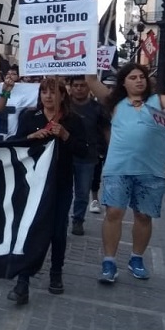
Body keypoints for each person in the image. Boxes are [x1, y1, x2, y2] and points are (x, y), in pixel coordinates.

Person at [86, 64, 165, 283]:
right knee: (114, 213)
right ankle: (109, 262)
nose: (139, 81)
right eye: (133, 77)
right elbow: (91, 80)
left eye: (142, 77)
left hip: (152, 171)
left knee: (143, 216)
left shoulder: (158, 101)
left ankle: (136, 258)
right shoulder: (116, 104)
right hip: (118, 169)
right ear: (124, 82)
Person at [7, 78, 87, 304]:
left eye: (53, 92)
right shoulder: (29, 117)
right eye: (44, 92)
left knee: (58, 231)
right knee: (29, 229)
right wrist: (30, 137)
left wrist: (65, 136)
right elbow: (13, 143)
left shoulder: (73, 120)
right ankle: (23, 281)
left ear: (63, 95)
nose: (48, 97)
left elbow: (84, 151)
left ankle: (56, 272)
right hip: (31, 185)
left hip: (60, 184)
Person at [68, 76, 110, 235]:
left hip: (88, 157)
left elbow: (106, 131)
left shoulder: (98, 108)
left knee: (82, 192)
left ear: (89, 88)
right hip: (66, 155)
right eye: (76, 85)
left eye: (83, 85)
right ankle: (61, 220)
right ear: (70, 88)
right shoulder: (63, 106)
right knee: (64, 191)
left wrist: (111, 151)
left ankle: (78, 220)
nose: (79, 88)